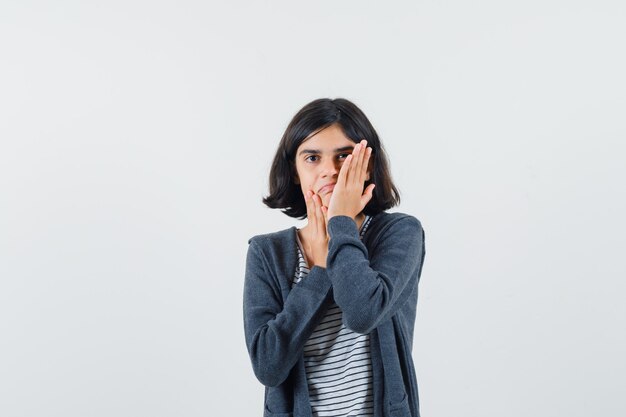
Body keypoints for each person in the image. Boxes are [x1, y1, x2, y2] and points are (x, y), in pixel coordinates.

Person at [243, 98, 426, 417]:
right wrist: (321, 269)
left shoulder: (399, 234)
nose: (330, 170)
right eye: (312, 157)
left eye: (344, 156)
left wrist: (340, 224)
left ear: (367, 164)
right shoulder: (267, 253)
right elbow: (268, 367)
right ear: (295, 171)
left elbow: (363, 312)